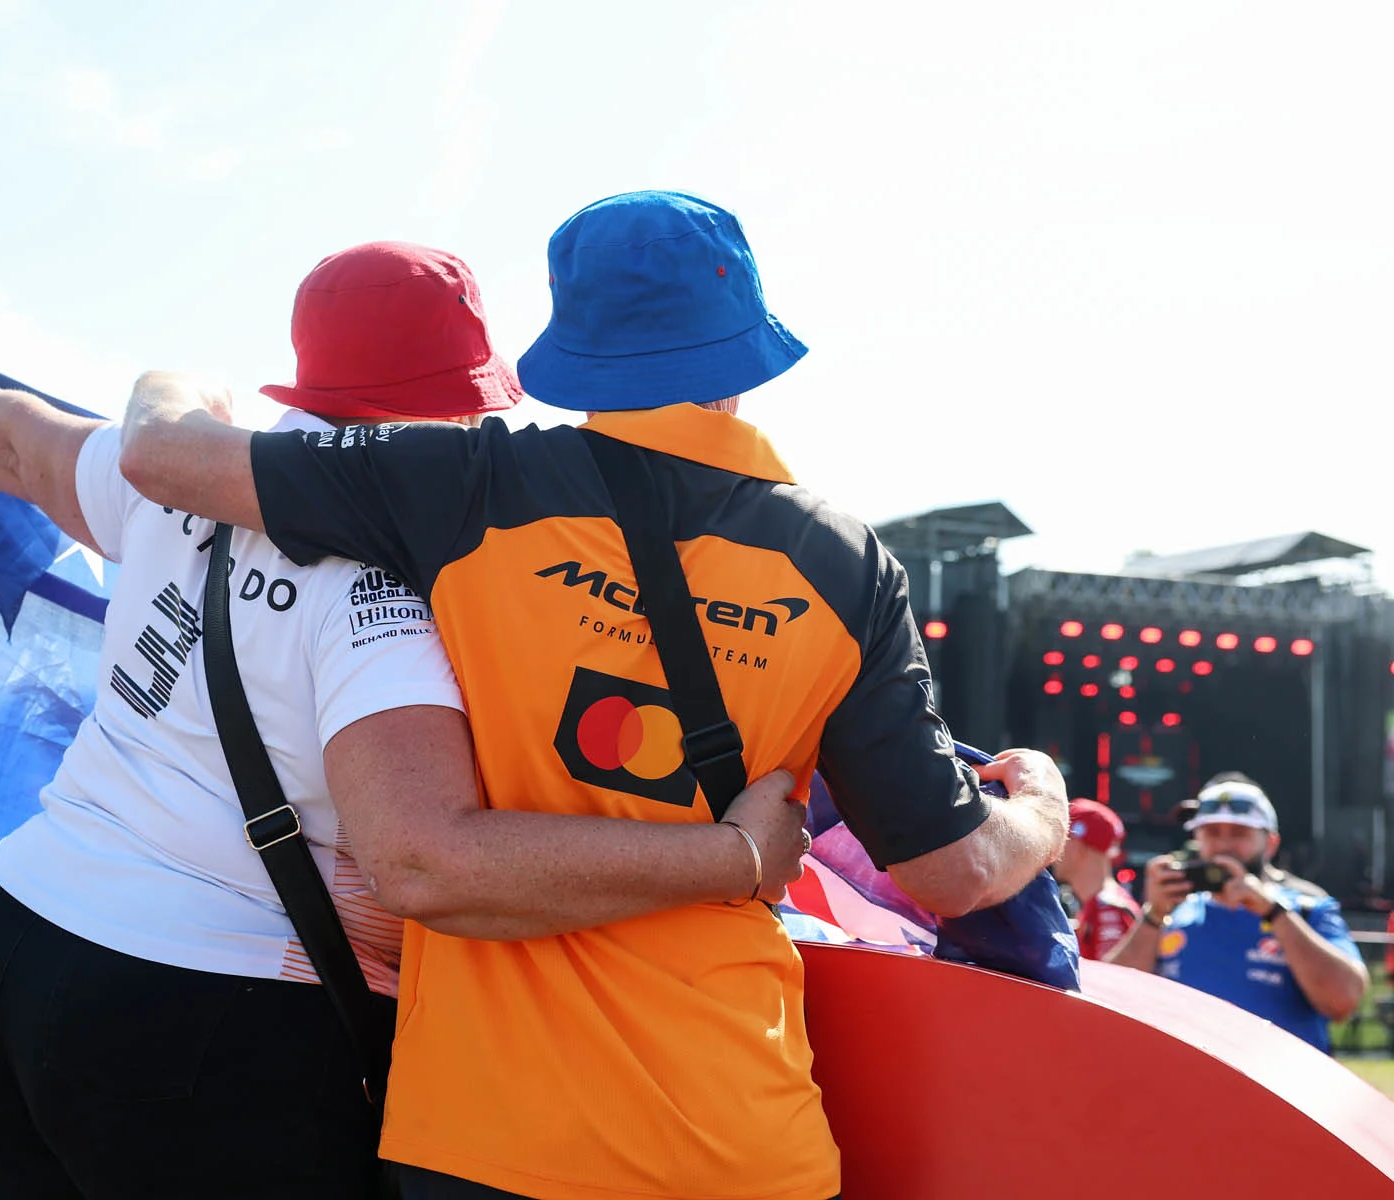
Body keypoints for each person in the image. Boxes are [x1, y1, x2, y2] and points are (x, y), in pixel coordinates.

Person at [117, 190, 1070, 1200]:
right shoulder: (843, 565)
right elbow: (957, 874)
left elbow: (162, 459)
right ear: (742, 355)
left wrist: (167, 384)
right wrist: (1042, 809)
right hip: (735, 1139)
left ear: (576, 340)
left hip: (479, 1140)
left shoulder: (464, 484)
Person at [0, 241, 810, 1200]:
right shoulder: (401, 581)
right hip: (206, 1008)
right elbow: (419, 862)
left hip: (15, 932)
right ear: (461, 407)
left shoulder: (190, 470)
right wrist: (731, 859)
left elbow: (18, 446)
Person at [1106, 772, 1368, 1051]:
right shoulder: (1172, 910)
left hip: (1279, 1083)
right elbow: (1110, 999)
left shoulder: (1307, 907)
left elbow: (1344, 1001)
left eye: (1239, 833)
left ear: (1270, 843)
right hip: (1186, 1084)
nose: (1223, 845)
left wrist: (1273, 912)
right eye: (1212, 832)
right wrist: (1153, 915)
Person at [1053, 798, 1139, 960]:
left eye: (1061, 841)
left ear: (1078, 848)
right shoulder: (1097, 906)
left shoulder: (1108, 910)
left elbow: (1110, 980)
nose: (1054, 850)